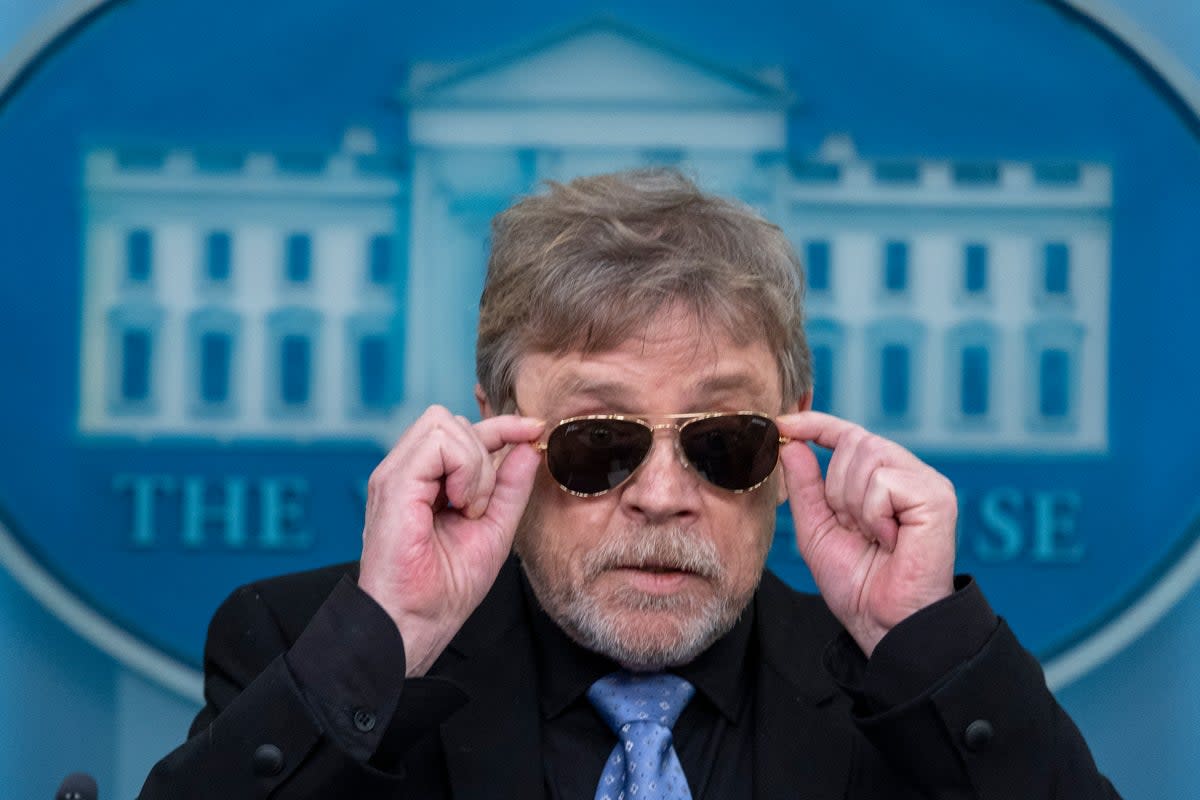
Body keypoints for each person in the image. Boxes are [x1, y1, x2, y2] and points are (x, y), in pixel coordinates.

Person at [139, 169, 1119, 799]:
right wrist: (385, 640)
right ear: (493, 432)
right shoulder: (307, 648)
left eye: (722, 441)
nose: (660, 494)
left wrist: (928, 644)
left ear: (792, 436)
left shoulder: (903, 696)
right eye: (598, 441)